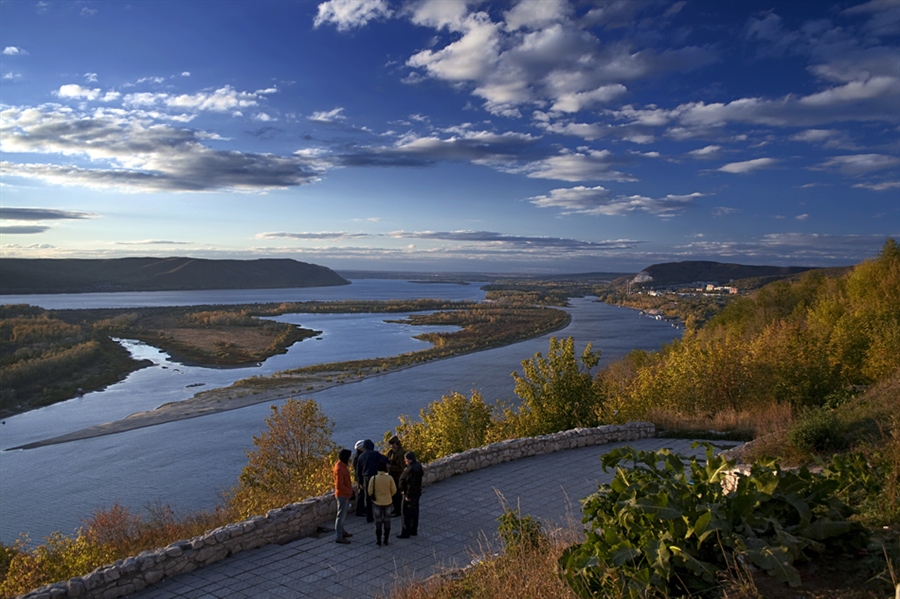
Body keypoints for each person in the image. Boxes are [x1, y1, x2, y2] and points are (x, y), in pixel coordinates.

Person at [358, 439, 389, 523]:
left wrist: (360, 482)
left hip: (366, 478)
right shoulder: (375, 454)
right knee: (378, 496)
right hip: (375, 476)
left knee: (367, 498)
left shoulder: (360, 456)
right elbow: (386, 459)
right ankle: (380, 515)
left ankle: (369, 517)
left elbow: (358, 471)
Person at [367, 461, 397, 546]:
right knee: (387, 521)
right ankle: (386, 539)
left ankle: (378, 540)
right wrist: (388, 495)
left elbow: (370, 492)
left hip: (377, 503)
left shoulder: (373, 478)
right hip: (388, 502)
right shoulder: (389, 478)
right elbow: (394, 490)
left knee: (378, 521)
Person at [396, 450, 423, 539]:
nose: (404, 460)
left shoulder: (409, 469)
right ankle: (413, 530)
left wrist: (406, 494)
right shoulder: (418, 466)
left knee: (406, 513)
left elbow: (408, 483)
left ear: (409, 459)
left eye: (405, 459)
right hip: (417, 493)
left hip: (409, 494)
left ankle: (405, 532)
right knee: (415, 512)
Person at [332, 448, 354, 544]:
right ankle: (339, 536)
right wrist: (349, 491)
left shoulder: (341, 466)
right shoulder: (340, 469)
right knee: (340, 516)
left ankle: (342, 531)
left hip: (344, 494)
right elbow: (339, 485)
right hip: (342, 495)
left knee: (343, 515)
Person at [386, 435, 405, 516]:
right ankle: (395, 509)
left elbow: (401, 467)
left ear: (397, 443)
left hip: (398, 477)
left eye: (393, 444)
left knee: (397, 495)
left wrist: (390, 467)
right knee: (393, 494)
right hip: (392, 476)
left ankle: (398, 510)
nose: (391, 446)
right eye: (391, 444)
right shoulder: (391, 452)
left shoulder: (401, 453)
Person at [351, 440, 367, 517]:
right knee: (361, 494)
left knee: (363, 494)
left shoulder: (356, 456)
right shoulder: (358, 458)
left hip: (359, 477)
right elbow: (358, 470)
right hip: (360, 478)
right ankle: (359, 510)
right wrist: (360, 482)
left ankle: (362, 509)